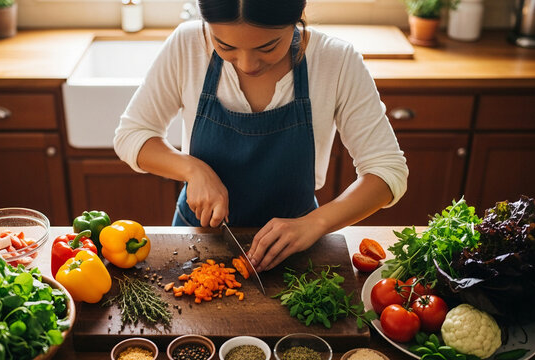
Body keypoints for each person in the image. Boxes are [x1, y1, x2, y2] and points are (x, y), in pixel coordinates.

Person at [114, 0, 408, 272]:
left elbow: (386, 171)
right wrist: (192, 169)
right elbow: (132, 135)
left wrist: (315, 224)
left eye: (268, 47)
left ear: (297, 18)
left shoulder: (336, 60)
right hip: (196, 240)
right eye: (225, 45)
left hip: (296, 247)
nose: (246, 64)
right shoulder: (187, 44)